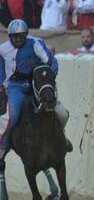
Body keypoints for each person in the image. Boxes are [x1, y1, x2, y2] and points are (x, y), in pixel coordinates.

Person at [0, 19, 71, 160]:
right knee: (12, 117)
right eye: (15, 36)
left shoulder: (35, 43)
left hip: (35, 85)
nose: (18, 38)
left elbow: (50, 62)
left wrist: (49, 80)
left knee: (62, 114)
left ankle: (63, 136)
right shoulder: (2, 50)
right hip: (16, 87)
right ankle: (3, 145)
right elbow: (1, 70)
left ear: (26, 34)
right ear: (10, 37)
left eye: (21, 35)